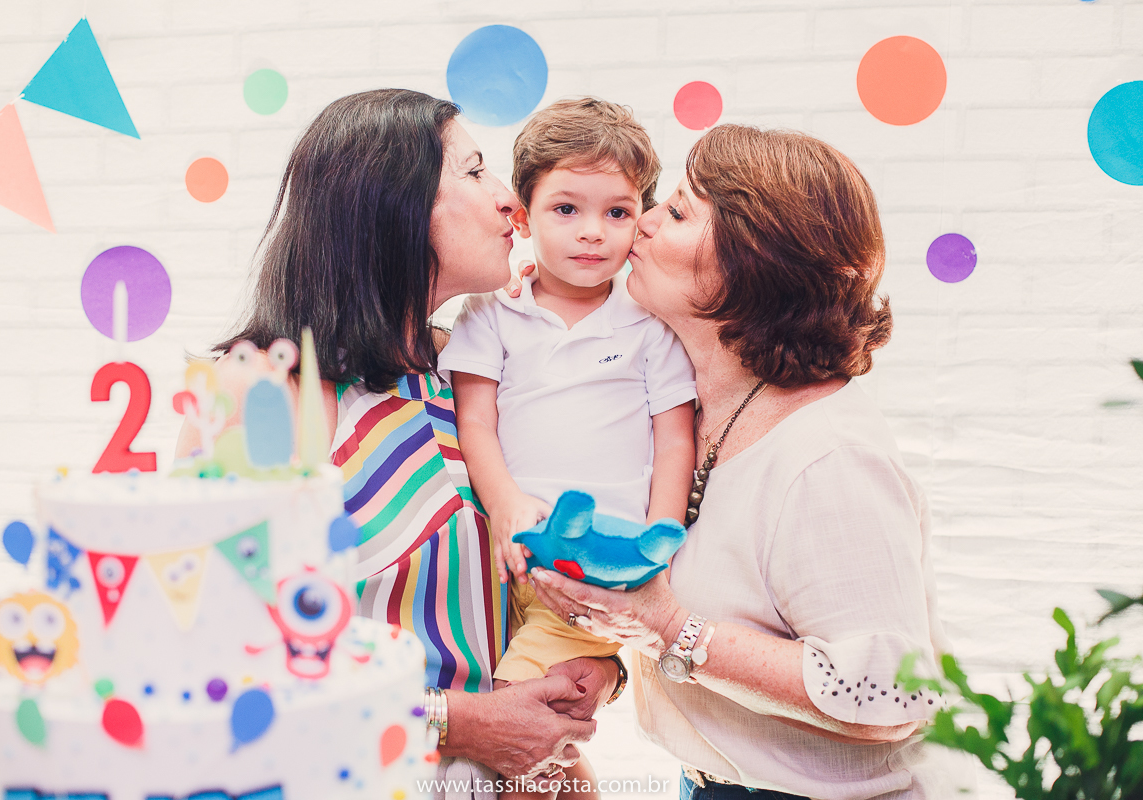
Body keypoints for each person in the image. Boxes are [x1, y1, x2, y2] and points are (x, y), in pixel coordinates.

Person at [181, 89, 622, 800]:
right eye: (476, 172)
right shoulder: (260, 395)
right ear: (396, 205)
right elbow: (211, 662)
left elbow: (538, 578)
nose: (512, 199)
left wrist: (598, 667)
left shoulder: (473, 376)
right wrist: (454, 722)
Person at [530, 124, 949, 800]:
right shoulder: (688, 417)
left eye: (677, 211)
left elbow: (894, 695)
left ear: (750, 262)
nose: (641, 221)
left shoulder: (826, 456)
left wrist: (666, 627)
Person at [438, 98, 697, 800]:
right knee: (535, 741)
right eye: (565, 210)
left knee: (520, 717)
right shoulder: (493, 314)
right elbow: (477, 424)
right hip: (501, 561)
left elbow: (674, 437)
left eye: (616, 213)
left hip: (589, 571)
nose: (592, 233)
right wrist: (508, 507)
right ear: (521, 214)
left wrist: (658, 545)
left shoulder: (649, 324)